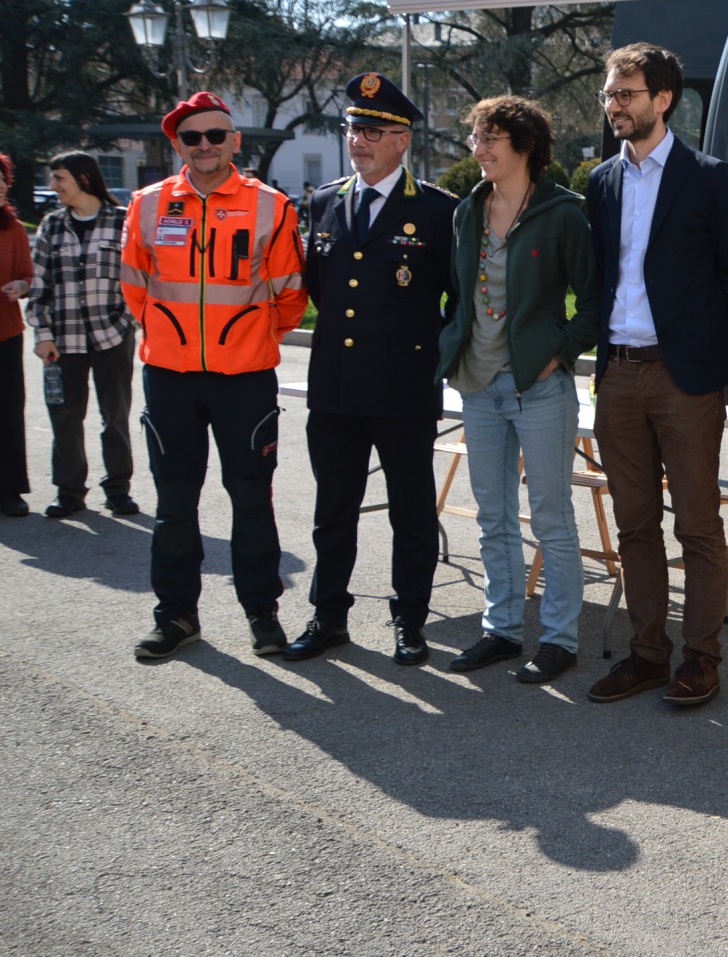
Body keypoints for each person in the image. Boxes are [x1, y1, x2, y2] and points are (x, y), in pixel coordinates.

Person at [583, 43, 728, 706]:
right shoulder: (603, 181)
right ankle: (648, 654)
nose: (614, 105)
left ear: (663, 99)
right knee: (633, 525)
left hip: (684, 380)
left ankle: (701, 659)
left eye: (625, 94)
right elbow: (601, 275)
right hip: (618, 376)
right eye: (609, 94)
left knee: (697, 526)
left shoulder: (709, 178)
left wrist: (698, 348)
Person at [120, 92, 309, 660]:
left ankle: (262, 613)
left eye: (215, 135)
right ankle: (176, 615)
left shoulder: (272, 206)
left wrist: (249, 338)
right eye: (191, 137)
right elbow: (135, 287)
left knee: (251, 499)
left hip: (244, 377)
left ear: (235, 141)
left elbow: (291, 294)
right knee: (174, 502)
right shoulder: (147, 204)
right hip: (170, 375)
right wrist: (172, 336)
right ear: (177, 145)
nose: (204, 145)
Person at [283, 73, 458, 668]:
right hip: (336, 385)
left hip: (404, 387)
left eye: (374, 132)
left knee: (411, 511)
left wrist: (429, 353)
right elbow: (320, 287)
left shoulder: (437, 210)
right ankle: (328, 616)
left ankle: (410, 620)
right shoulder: (325, 201)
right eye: (354, 129)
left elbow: (457, 299)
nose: (359, 140)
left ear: (402, 140)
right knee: (333, 511)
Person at [436, 96, 600, 681]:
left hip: (539, 388)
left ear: (524, 146)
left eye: (490, 139)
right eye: (476, 138)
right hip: (478, 385)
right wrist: (451, 342)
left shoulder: (563, 214)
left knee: (551, 518)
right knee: (493, 517)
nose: (477, 149)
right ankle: (501, 630)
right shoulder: (467, 211)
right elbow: (458, 294)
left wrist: (558, 355)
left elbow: (594, 301)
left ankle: (559, 640)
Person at [25, 152, 140, 519]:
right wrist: (42, 334)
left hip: (113, 337)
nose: (53, 186)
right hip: (63, 341)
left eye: (59, 178)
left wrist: (126, 322)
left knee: (115, 416)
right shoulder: (52, 225)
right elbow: (39, 285)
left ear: (84, 179)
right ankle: (69, 492)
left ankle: (118, 490)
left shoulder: (123, 221)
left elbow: (139, 278)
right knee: (65, 417)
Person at [0, 155, 35, 517]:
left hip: (6, 333)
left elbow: (27, 275)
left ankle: (10, 489)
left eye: (2, 180)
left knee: (9, 412)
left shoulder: (15, 229)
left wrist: (21, 286)